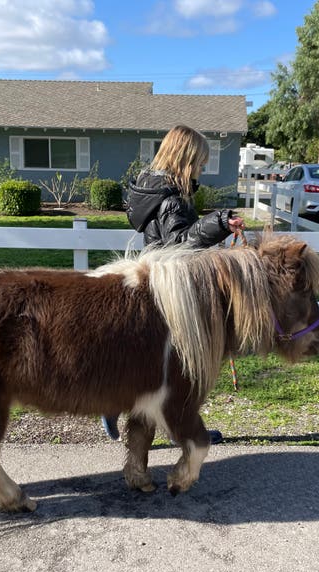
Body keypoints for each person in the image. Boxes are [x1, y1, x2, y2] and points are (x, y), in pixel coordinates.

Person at [101, 124, 245, 444]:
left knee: (159, 365)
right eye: (200, 163)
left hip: (155, 285)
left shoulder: (154, 193)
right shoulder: (172, 200)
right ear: (185, 159)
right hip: (172, 292)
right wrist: (220, 222)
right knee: (184, 367)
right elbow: (180, 243)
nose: (202, 169)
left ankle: (116, 402)